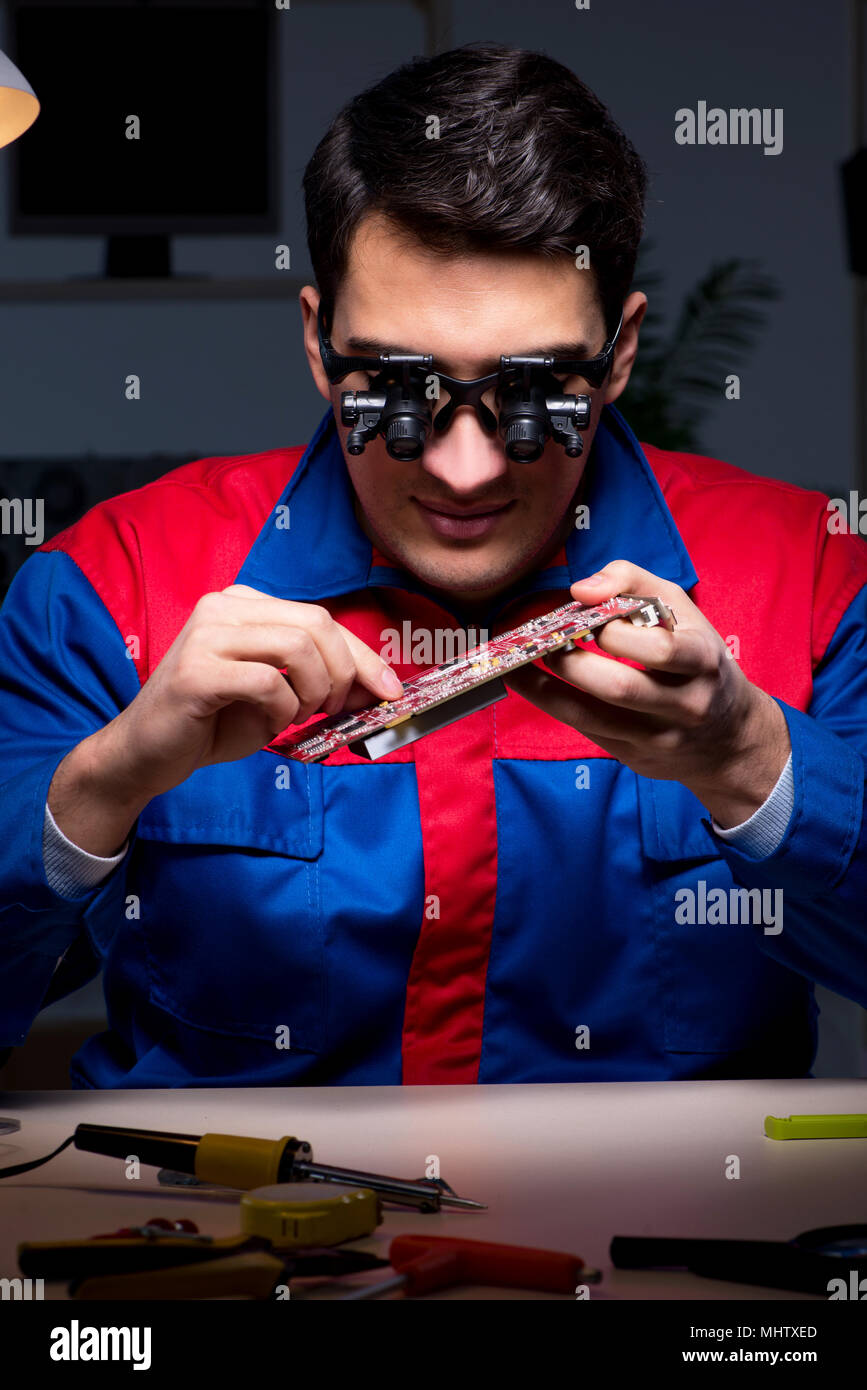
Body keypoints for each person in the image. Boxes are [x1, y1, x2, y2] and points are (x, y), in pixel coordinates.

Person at [1, 44, 865, 1088]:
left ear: (621, 355)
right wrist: (102, 784)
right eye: (398, 390)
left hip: (672, 1245)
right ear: (320, 345)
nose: (466, 468)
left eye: (538, 393)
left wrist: (755, 765)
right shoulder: (111, 583)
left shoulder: (815, 575)